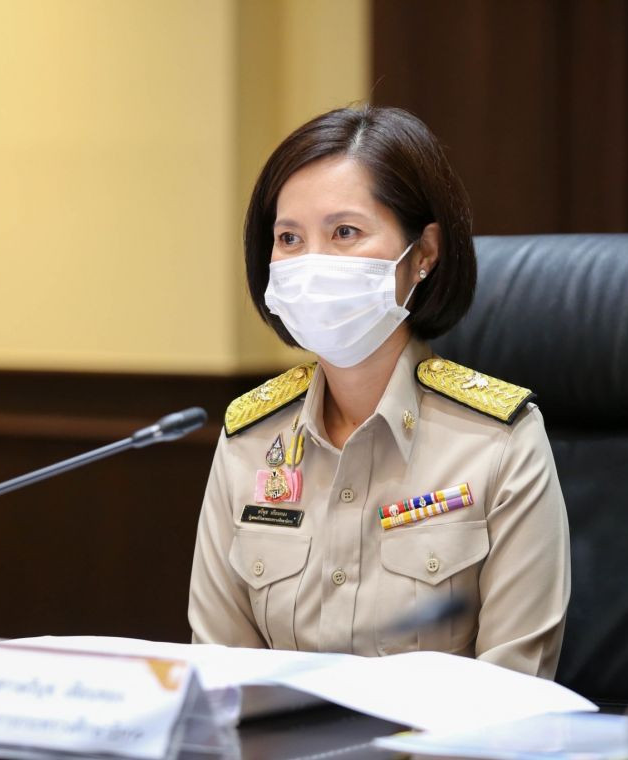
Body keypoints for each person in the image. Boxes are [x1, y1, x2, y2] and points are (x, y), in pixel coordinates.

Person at [188, 106, 570, 678]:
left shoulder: (498, 443)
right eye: (289, 238)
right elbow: (219, 676)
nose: (312, 262)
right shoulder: (250, 440)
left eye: (345, 232)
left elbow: (515, 689)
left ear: (423, 254)